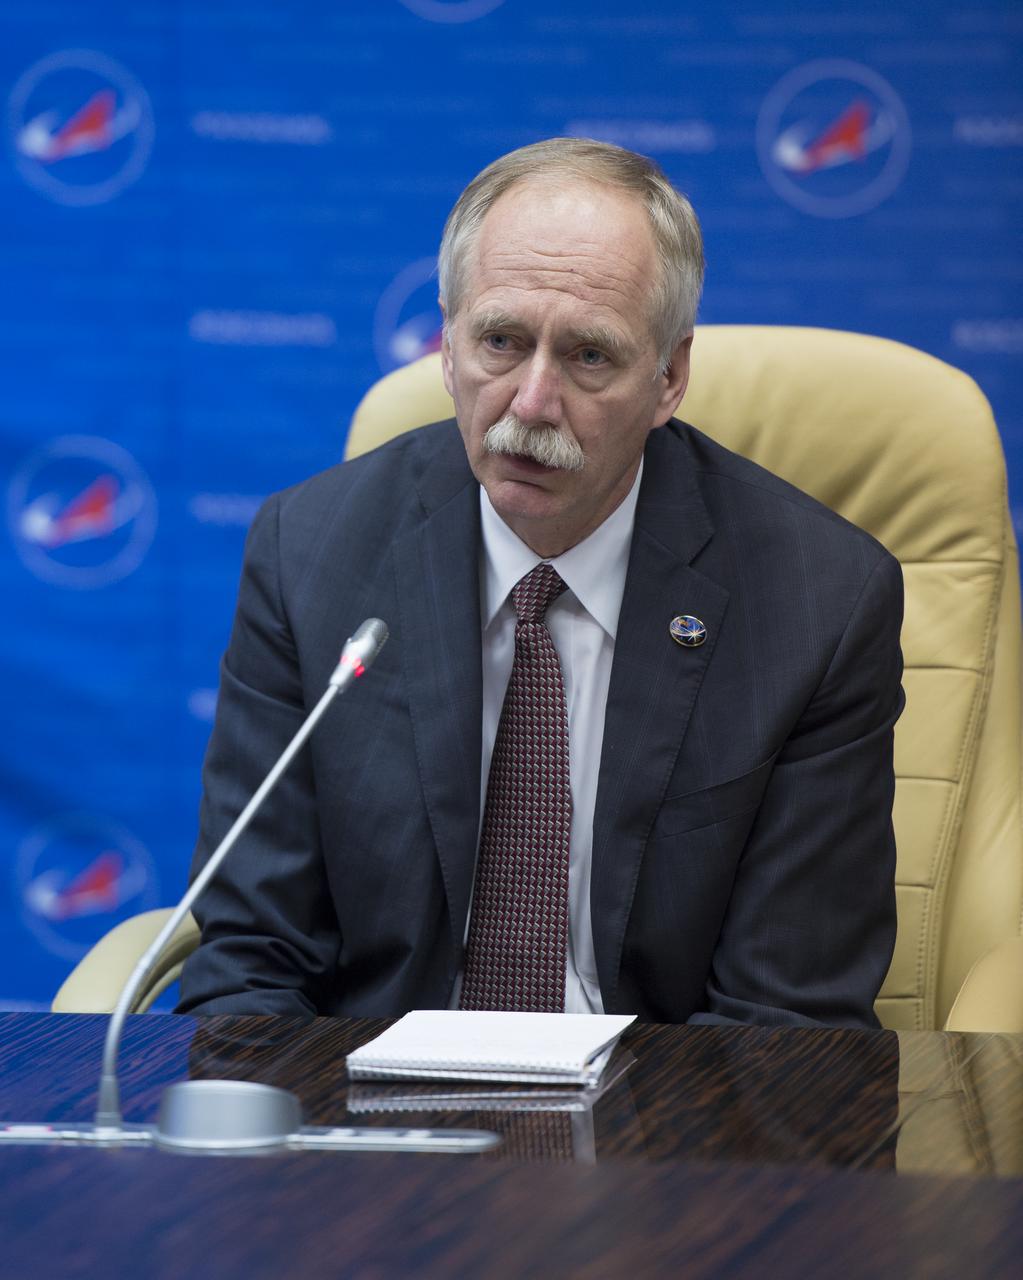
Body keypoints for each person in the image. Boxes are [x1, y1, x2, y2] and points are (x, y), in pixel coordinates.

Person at [178, 138, 904, 1027]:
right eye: (500, 342)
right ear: (446, 344)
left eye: (589, 357)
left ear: (669, 377)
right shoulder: (311, 553)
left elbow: (787, 1021)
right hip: (374, 1118)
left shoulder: (816, 601)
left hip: (661, 1126)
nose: (529, 403)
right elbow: (251, 961)